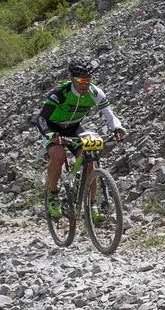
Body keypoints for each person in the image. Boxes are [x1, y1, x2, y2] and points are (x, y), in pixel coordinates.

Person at [36, 59, 126, 218]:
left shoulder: (95, 93)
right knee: (58, 155)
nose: (85, 84)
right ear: (72, 79)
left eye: (88, 80)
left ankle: (92, 204)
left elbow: (109, 115)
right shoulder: (60, 93)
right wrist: (50, 135)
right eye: (81, 81)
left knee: (91, 160)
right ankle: (52, 194)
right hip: (53, 127)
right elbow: (41, 118)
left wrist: (117, 128)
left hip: (74, 127)